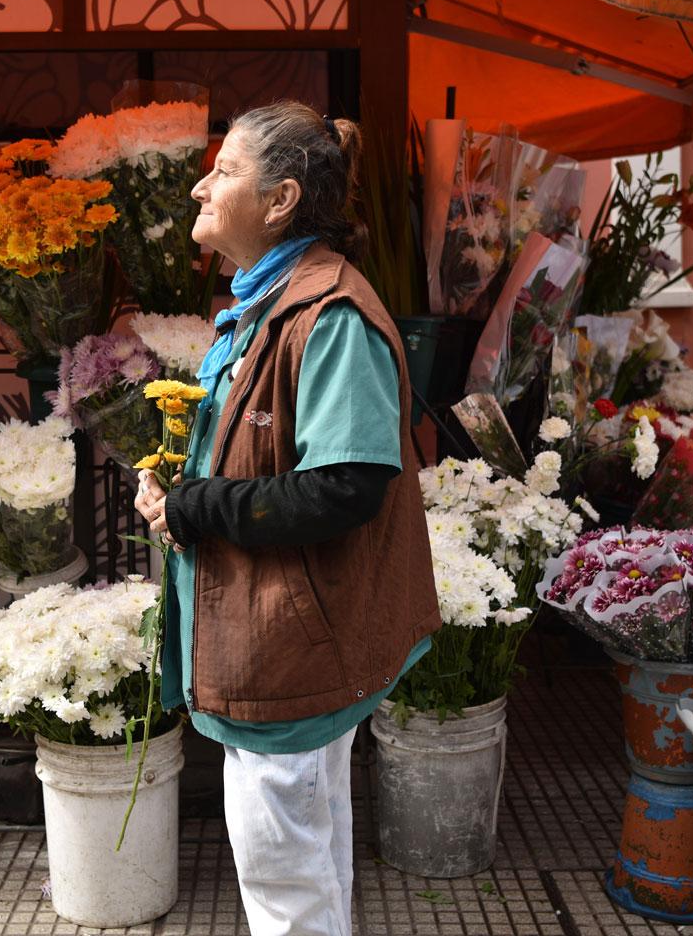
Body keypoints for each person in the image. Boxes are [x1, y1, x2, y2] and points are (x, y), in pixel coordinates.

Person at [133, 100, 440, 935]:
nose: (201, 184)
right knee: (304, 864)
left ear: (280, 202)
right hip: (267, 644)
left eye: (224, 170)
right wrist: (177, 486)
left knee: (285, 881)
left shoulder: (328, 314)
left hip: (289, 650)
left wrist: (198, 504)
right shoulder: (265, 303)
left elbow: (347, 486)